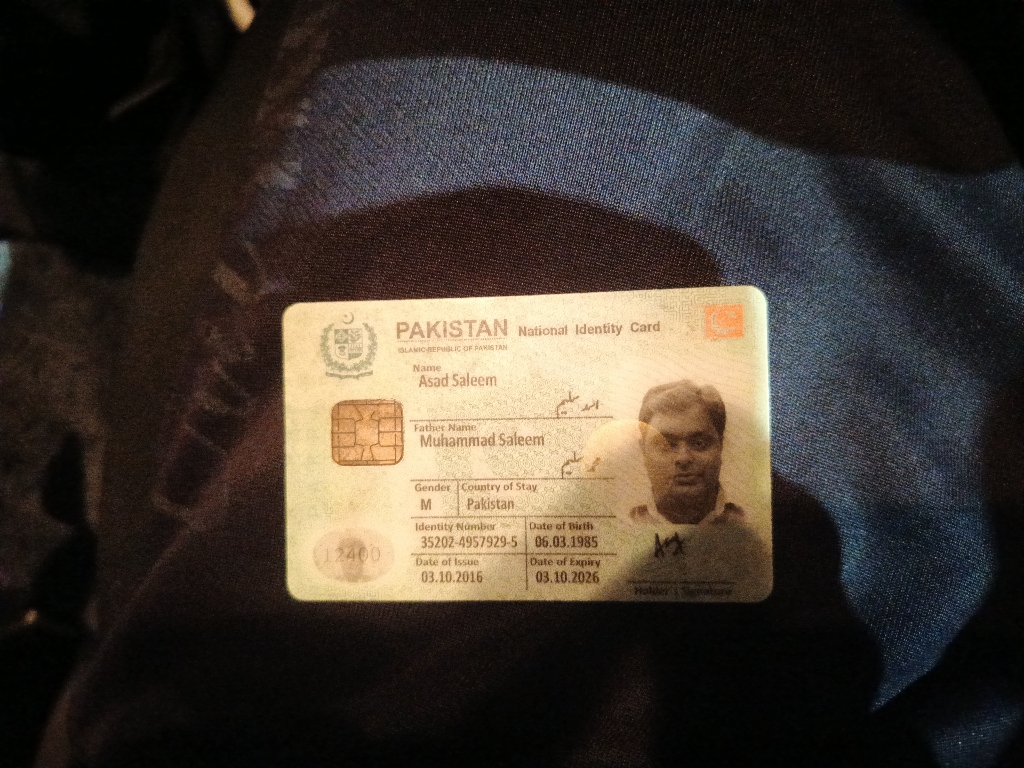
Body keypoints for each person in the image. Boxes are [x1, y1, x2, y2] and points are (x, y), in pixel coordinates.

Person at [630, 380, 744, 526]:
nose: (683, 458)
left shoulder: (753, 526)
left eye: (699, 443)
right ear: (644, 451)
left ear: (721, 445)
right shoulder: (621, 527)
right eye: (666, 445)